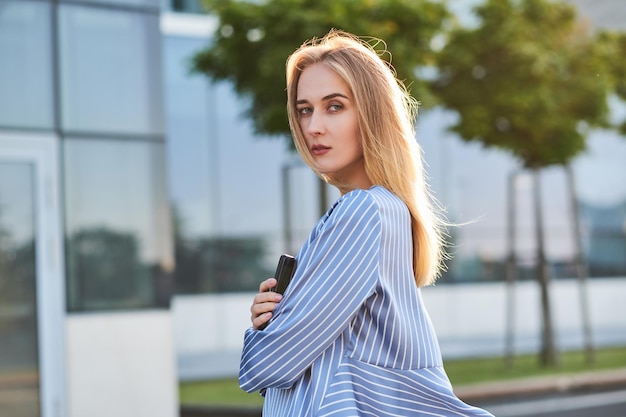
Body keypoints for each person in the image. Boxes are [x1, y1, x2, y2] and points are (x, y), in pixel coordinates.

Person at [239, 29, 494, 416]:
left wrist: (260, 338)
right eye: (305, 109)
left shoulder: (364, 212)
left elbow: (268, 366)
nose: (313, 127)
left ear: (372, 114)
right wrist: (274, 319)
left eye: (335, 106)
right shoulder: (381, 210)